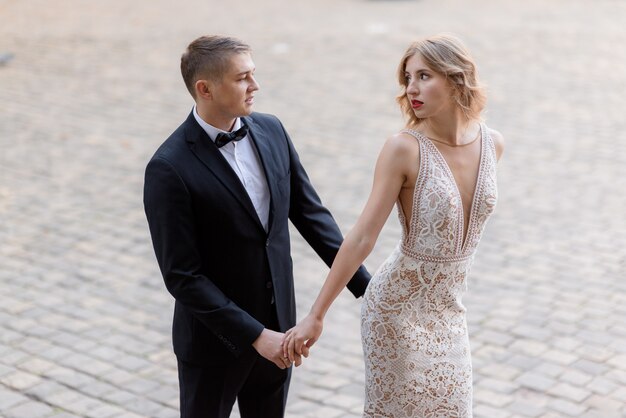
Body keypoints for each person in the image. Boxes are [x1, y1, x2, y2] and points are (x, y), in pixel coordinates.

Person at [143, 35, 370, 418]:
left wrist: (367, 288)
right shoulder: (169, 168)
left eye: (254, 74)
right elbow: (182, 276)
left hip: (281, 329)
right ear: (206, 89)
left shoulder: (272, 130)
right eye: (242, 77)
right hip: (213, 345)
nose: (255, 86)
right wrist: (255, 335)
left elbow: (311, 215)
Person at [284, 34, 504, 417]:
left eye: (424, 76)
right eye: (407, 78)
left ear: (456, 79)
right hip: (396, 311)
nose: (411, 88)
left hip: (451, 311)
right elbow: (363, 236)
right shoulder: (404, 148)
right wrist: (316, 315)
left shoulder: (493, 144)